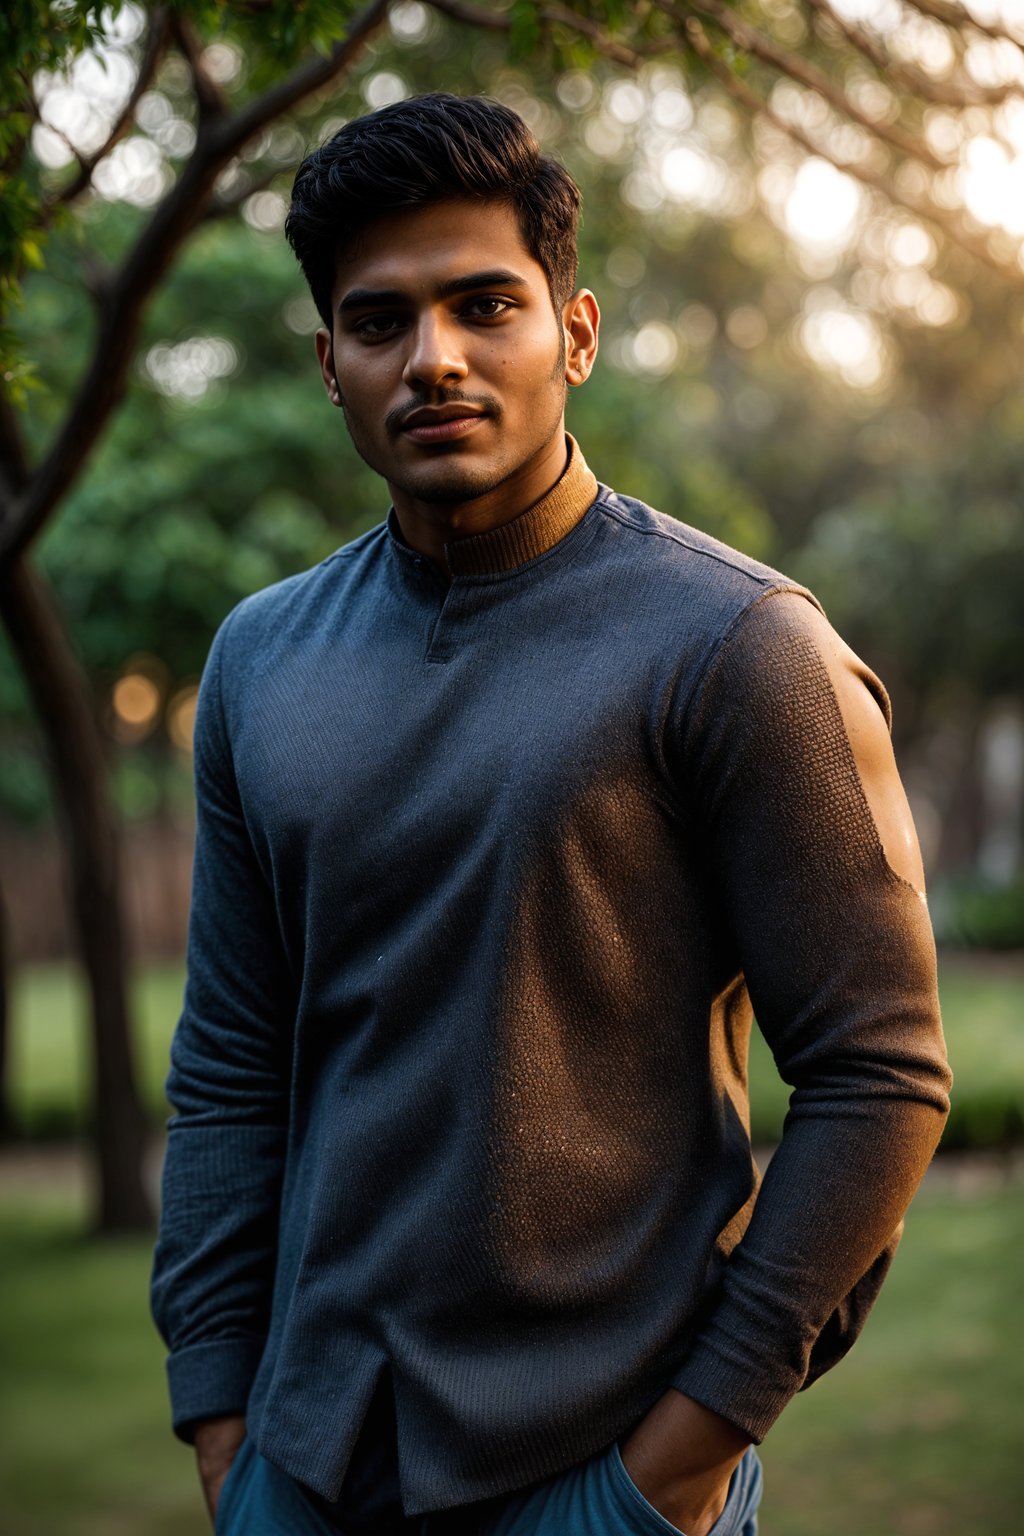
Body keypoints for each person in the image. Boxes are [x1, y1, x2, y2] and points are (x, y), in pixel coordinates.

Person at [150, 92, 952, 1536]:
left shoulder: (737, 645)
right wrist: (220, 1415)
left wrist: (684, 1459)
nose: (433, 358)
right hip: (300, 1460)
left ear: (574, 334)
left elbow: (878, 1074)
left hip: (600, 1471)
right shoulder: (260, 660)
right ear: (330, 361)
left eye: (485, 304)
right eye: (380, 320)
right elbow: (228, 1060)